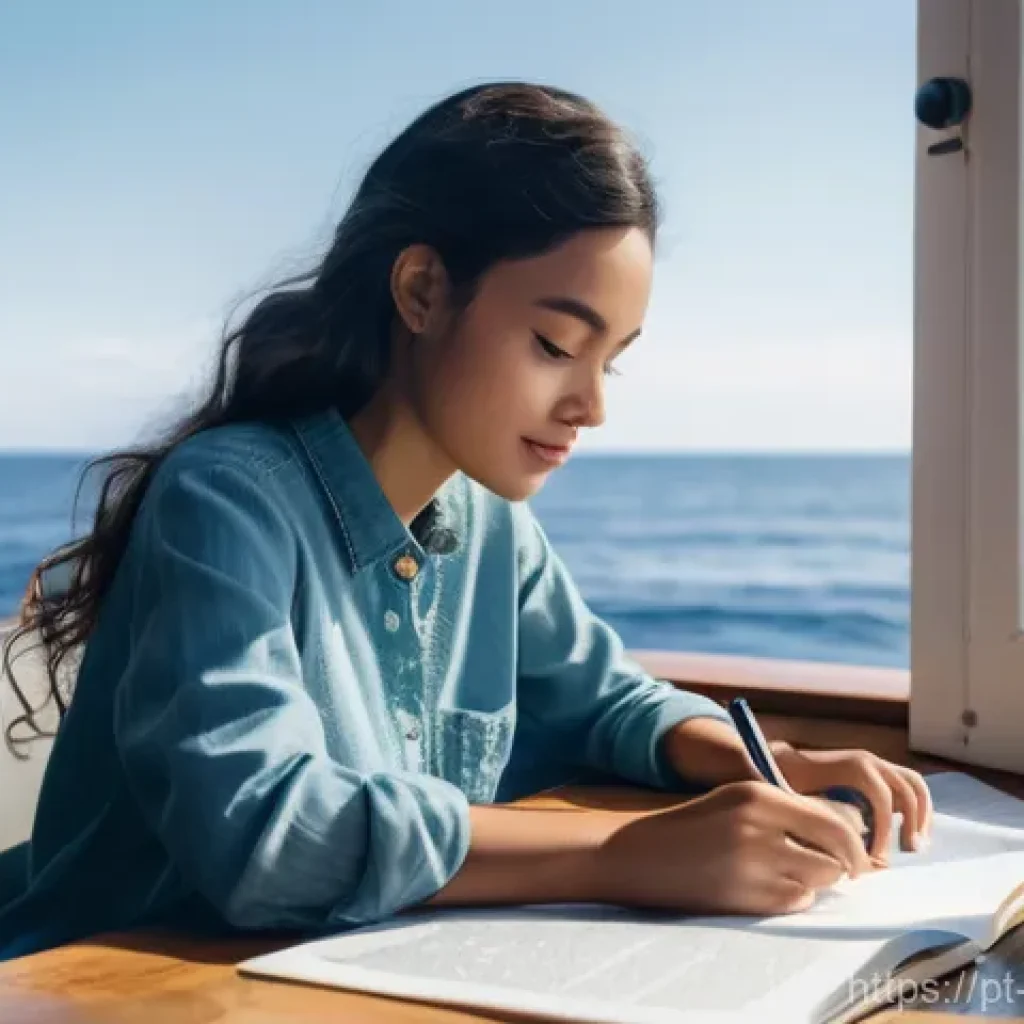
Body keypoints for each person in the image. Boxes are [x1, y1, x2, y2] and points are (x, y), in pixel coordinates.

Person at [0, 81, 932, 962]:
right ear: (421, 292)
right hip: (92, 988)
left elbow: (606, 702)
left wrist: (766, 761)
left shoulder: (487, 522)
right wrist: (622, 855)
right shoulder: (226, 497)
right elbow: (263, 831)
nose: (591, 406)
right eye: (556, 346)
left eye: (614, 360)